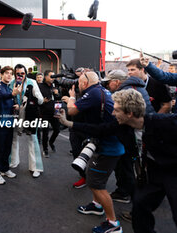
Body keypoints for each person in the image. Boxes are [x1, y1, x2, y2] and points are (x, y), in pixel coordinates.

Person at [58, 88, 177, 233]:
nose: (113, 114)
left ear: (130, 113)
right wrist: (68, 123)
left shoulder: (165, 123)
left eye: (116, 110)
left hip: (173, 171)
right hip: (152, 172)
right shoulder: (121, 126)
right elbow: (99, 129)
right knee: (139, 206)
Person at [61, 71, 125, 232]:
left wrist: (71, 98)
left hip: (108, 146)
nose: (78, 85)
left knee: (96, 184)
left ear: (84, 83)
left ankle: (113, 224)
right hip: (104, 142)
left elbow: (72, 111)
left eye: (79, 82)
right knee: (92, 177)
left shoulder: (94, 93)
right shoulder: (100, 90)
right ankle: (97, 206)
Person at [101, 69, 155, 205]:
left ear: (116, 82)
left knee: (128, 165)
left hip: (138, 135)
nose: (107, 86)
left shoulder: (127, 92)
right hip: (139, 134)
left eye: (108, 83)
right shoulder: (137, 87)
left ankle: (127, 194)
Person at [9, 64, 44, 178]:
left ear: (25, 73)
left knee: (33, 139)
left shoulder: (32, 82)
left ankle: (36, 167)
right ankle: (13, 161)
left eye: (22, 73)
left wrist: (34, 95)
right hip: (15, 115)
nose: (20, 76)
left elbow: (41, 100)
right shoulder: (11, 83)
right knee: (13, 139)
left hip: (29, 115)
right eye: (18, 73)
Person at [0, 66, 21, 185]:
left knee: (7, 147)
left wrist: (17, 105)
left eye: (11, 74)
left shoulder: (9, 89)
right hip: (0, 122)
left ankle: (4, 168)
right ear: (2, 74)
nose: (9, 75)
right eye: (7, 73)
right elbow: (2, 96)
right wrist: (13, 93)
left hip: (9, 122)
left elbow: (12, 100)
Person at [38, 70, 61, 157]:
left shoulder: (55, 86)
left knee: (57, 130)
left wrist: (57, 93)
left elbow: (59, 98)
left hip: (55, 111)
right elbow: (37, 99)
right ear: (46, 76)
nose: (53, 79)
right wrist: (42, 101)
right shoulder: (40, 86)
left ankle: (51, 142)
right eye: (51, 76)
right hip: (44, 112)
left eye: (54, 77)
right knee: (45, 132)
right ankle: (45, 149)